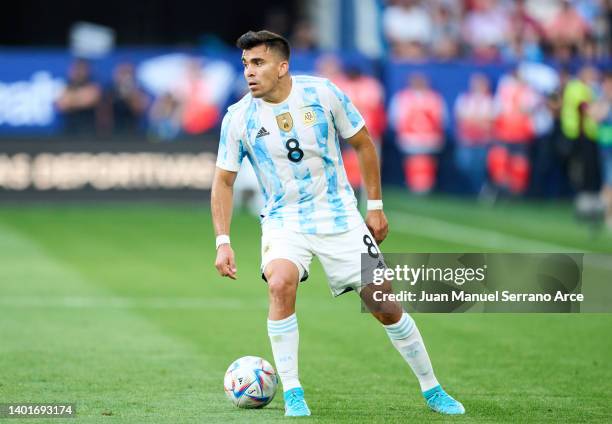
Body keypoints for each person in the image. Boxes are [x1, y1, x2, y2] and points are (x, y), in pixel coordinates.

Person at [211, 30, 464, 417]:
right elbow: (223, 181)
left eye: (258, 63)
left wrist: (375, 205)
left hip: (340, 215)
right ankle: (294, 393)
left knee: (384, 305)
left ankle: (432, 388)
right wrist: (223, 241)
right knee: (280, 282)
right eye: (245, 64)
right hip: (284, 220)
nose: (249, 72)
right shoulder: (238, 117)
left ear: (282, 67)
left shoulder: (323, 93)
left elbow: (363, 143)